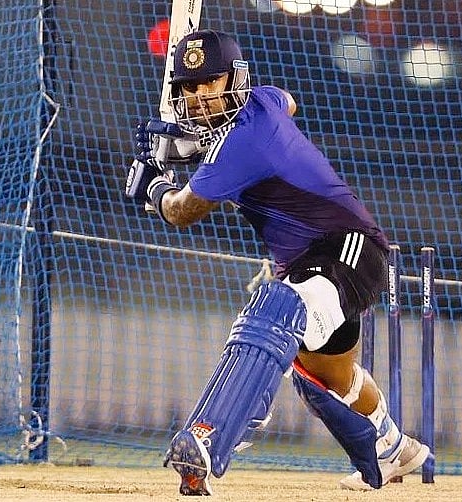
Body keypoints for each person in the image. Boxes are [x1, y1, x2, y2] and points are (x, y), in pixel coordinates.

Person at [126, 29, 432, 496]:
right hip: (313, 261)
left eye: (212, 83)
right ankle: (393, 447)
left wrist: (154, 184)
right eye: (191, 87)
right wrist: (200, 146)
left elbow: (180, 211)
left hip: (347, 247)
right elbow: (285, 100)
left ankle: (210, 440)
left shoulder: (240, 145)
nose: (200, 95)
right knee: (329, 378)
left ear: (235, 80)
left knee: (277, 307)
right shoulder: (264, 102)